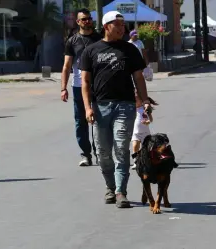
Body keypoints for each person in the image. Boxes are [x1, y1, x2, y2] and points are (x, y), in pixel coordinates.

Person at [80, 11, 151, 208]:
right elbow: (85, 81)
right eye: (117, 24)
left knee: (121, 148)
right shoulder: (91, 50)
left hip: (125, 105)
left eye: (123, 25)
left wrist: (144, 100)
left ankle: (121, 192)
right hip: (100, 106)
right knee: (102, 152)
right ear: (106, 26)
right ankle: (110, 188)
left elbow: (138, 77)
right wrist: (87, 108)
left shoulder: (130, 50)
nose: (121, 28)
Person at [61, 8, 102, 166]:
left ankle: (99, 151)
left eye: (89, 18)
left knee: (99, 120)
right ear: (78, 22)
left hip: (98, 84)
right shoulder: (72, 41)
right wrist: (63, 88)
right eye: (84, 19)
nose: (87, 21)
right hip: (78, 86)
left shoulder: (99, 39)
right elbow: (66, 66)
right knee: (81, 122)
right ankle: (86, 154)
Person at [130, 92, 157, 170]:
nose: (134, 102)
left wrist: (147, 122)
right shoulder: (132, 110)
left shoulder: (144, 109)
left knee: (146, 149)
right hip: (135, 133)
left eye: (136, 100)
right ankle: (136, 162)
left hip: (145, 133)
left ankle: (146, 161)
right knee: (135, 146)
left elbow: (150, 119)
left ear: (141, 101)